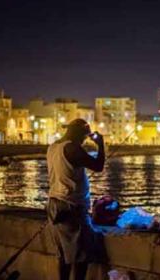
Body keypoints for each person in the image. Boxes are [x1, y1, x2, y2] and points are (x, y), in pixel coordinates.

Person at [46, 118, 106, 280]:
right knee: (81, 256)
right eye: (84, 136)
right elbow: (98, 166)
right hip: (71, 206)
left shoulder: (53, 147)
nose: (84, 140)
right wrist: (101, 144)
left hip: (54, 204)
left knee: (63, 256)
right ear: (78, 133)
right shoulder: (72, 148)